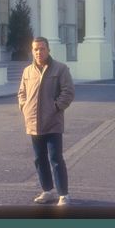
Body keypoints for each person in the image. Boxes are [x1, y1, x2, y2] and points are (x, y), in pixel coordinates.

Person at [18, 37, 75, 206]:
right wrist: (24, 107)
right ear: (32, 51)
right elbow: (22, 92)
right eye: (35, 49)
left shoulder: (60, 69)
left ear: (48, 50)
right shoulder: (28, 71)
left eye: (42, 49)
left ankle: (63, 194)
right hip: (33, 122)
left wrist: (55, 108)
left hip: (53, 122)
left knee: (56, 158)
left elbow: (68, 92)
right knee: (39, 158)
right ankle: (47, 191)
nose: (38, 52)